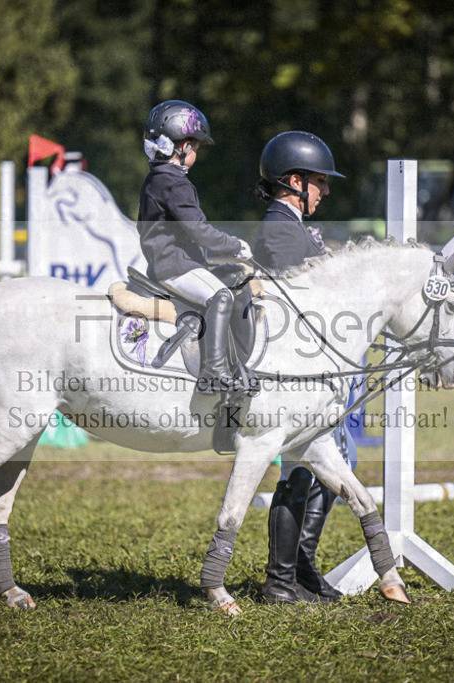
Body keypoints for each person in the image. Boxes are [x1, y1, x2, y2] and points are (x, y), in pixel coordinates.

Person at [253, 131, 355, 604]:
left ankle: (300, 570)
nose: (325, 191)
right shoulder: (279, 228)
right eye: (320, 181)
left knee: (332, 465)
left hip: (314, 370)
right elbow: (309, 299)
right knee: (303, 472)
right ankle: (287, 577)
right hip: (291, 375)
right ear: (294, 181)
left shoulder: (294, 226)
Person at [137, 100, 252, 394]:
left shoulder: (155, 179)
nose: (197, 153)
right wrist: (236, 246)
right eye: (197, 148)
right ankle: (213, 372)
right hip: (175, 266)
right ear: (184, 146)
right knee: (221, 296)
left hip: (165, 262)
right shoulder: (175, 182)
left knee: (229, 279)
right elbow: (199, 231)